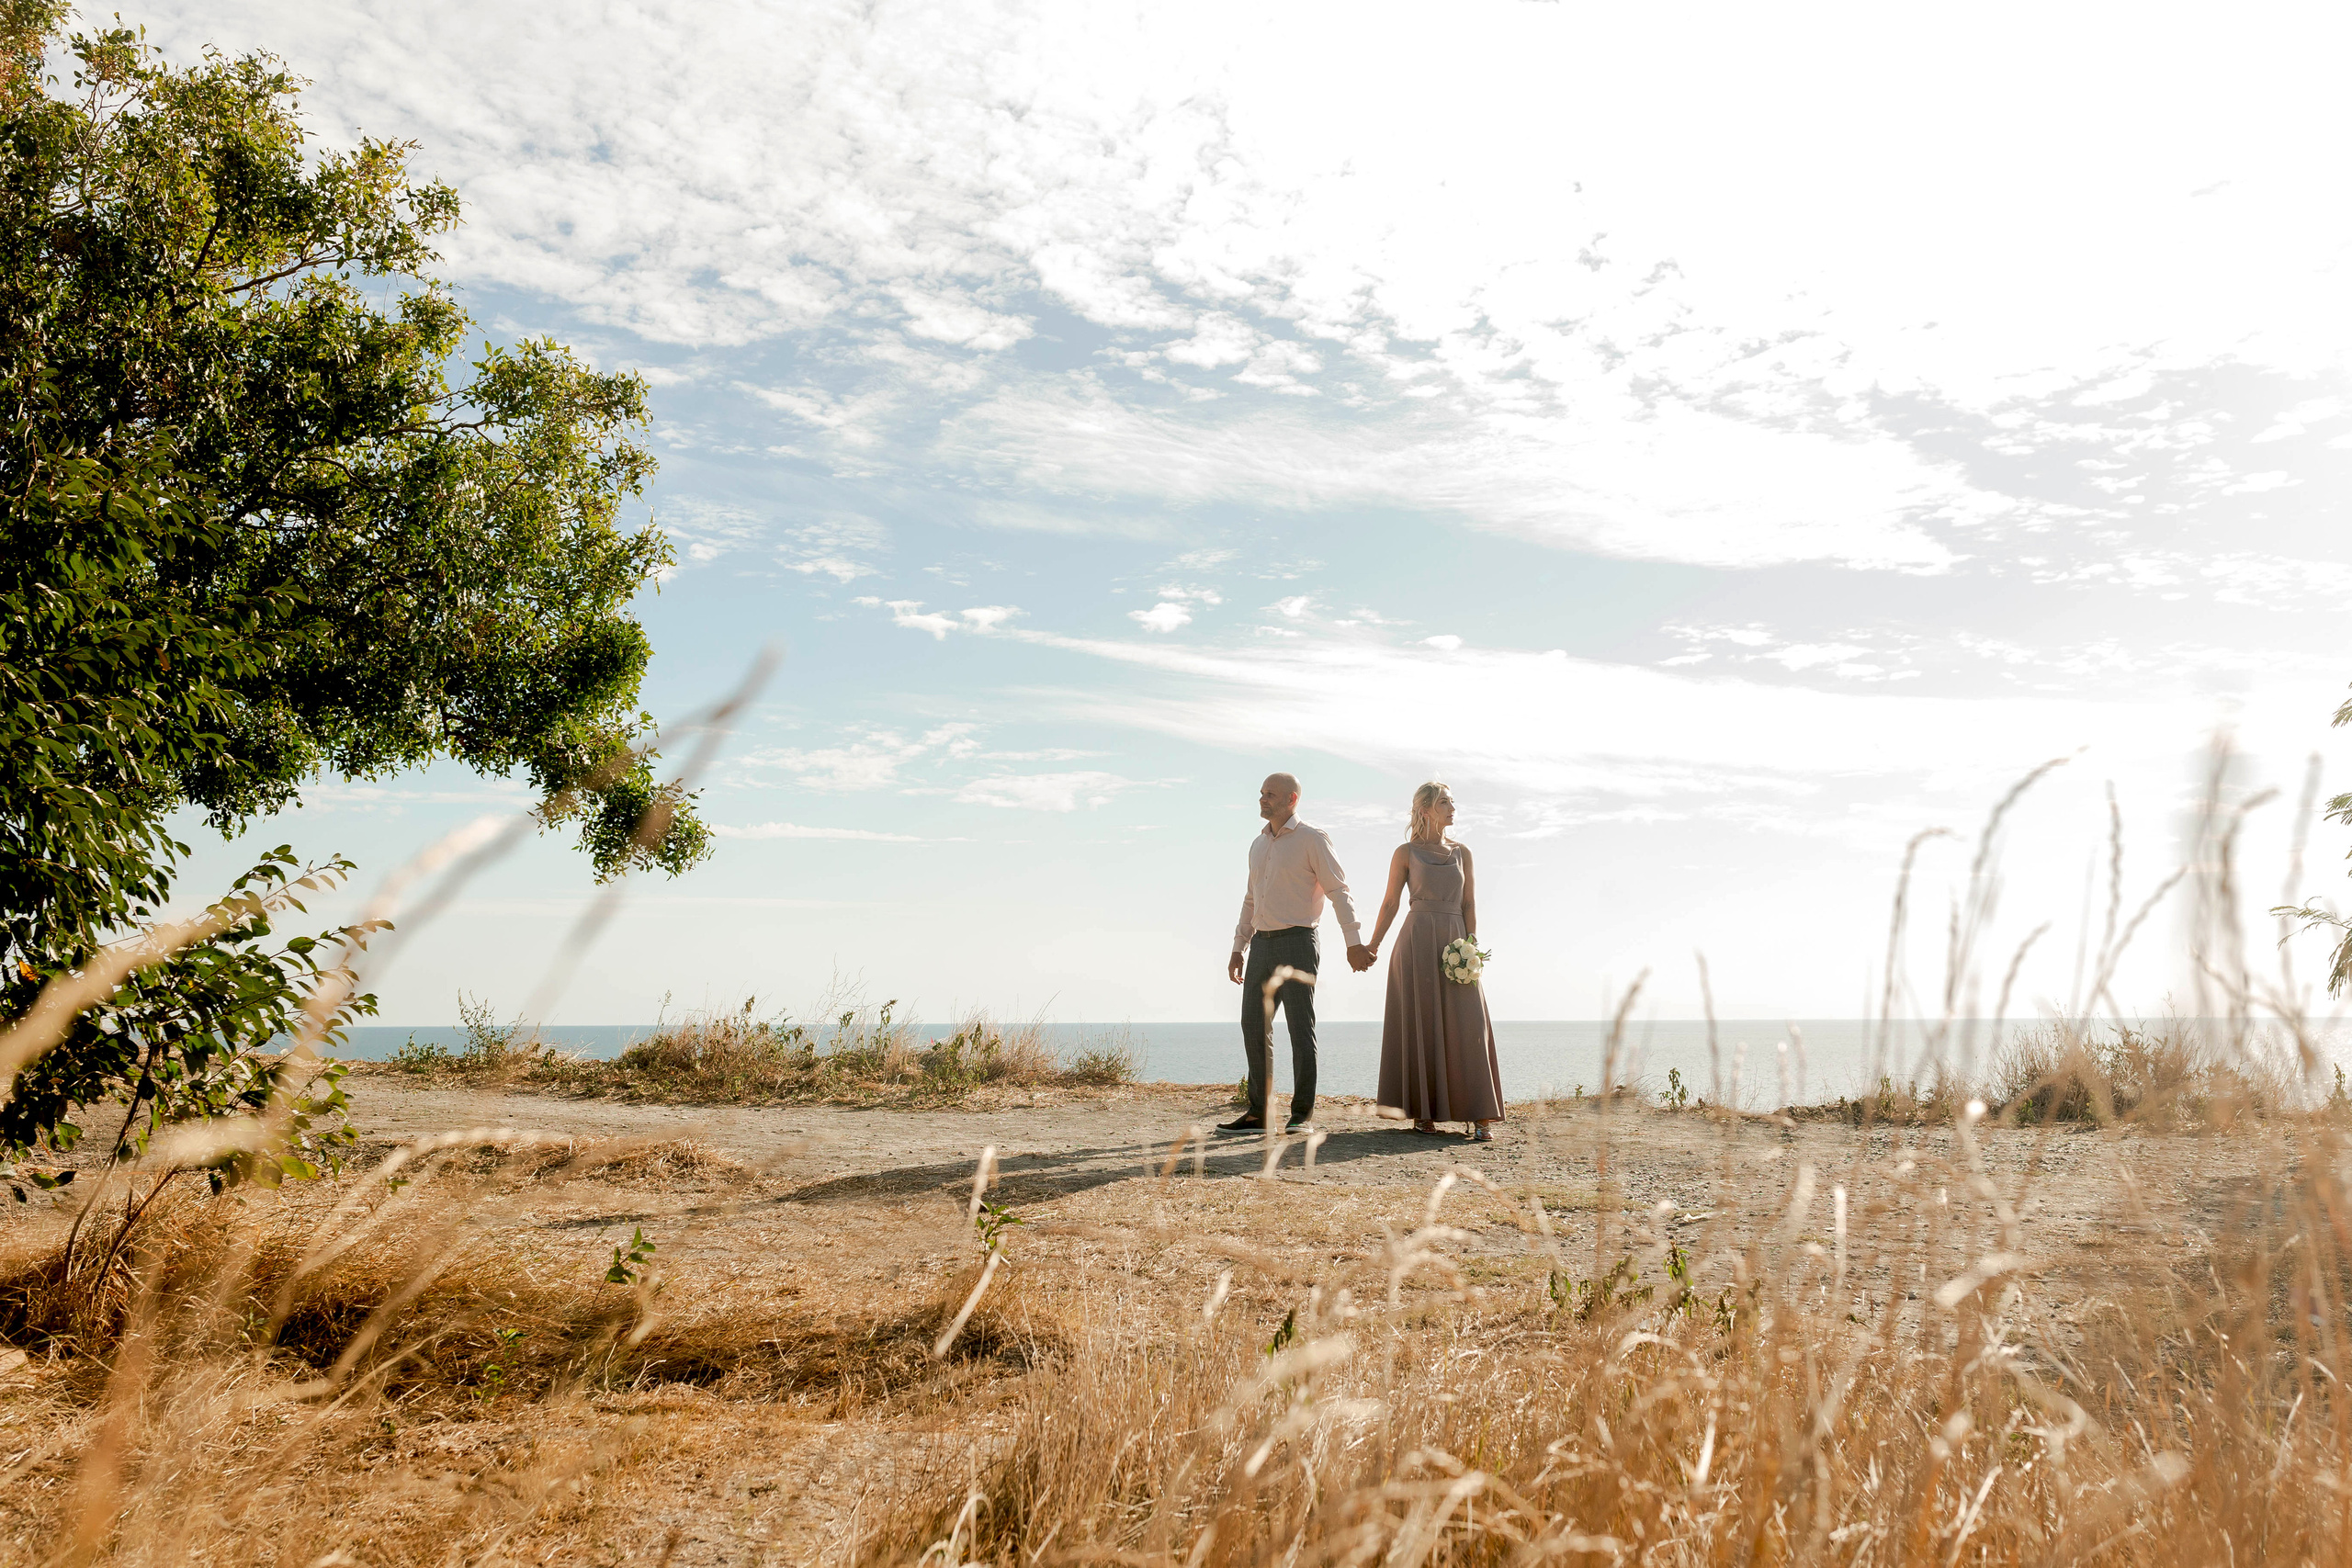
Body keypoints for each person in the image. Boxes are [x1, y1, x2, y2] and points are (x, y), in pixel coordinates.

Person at [1225, 772, 1374, 1134]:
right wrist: (1238, 946)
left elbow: (1339, 890)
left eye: (1270, 794)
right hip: (1261, 943)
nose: (1262, 799)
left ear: (1292, 799)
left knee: (1299, 1028)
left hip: (1298, 940)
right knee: (1253, 1025)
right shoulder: (1258, 845)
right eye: (1261, 793)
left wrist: (1353, 942)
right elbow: (1250, 900)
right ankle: (1260, 1113)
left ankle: (1302, 1115)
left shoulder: (1312, 839)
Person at [1364, 781, 1504, 1141]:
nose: (1453, 808)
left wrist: (1471, 947)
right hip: (1417, 941)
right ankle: (1423, 1113)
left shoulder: (1463, 852)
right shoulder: (1405, 852)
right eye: (1445, 802)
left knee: (1469, 1023)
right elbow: (1390, 903)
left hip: (1456, 940)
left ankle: (1480, 1116)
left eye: (1452, 802)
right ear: (1425, 809)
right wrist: (1374, 945)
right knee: (1420, 1021)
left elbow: (1470, 903)